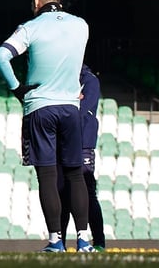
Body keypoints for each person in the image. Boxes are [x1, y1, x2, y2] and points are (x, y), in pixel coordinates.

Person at [0, 0, 92, 253]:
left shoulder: (31, 27)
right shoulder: (81, 25)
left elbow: (1, 56)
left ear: (37, 1)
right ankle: (84, 240)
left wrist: (16, 88)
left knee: (47, 176)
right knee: (75, 175)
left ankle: (55, 240)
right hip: (71, 107)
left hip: (39, 106)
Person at [59, 65, 105, 251]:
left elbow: (82, 111)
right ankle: (59, 243)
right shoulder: (63, 76)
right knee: (62, 193)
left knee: (87, 193)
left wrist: (66, 104)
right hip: (64, 142)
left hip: (83, 143)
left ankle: (99, 241)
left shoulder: (90, 80)